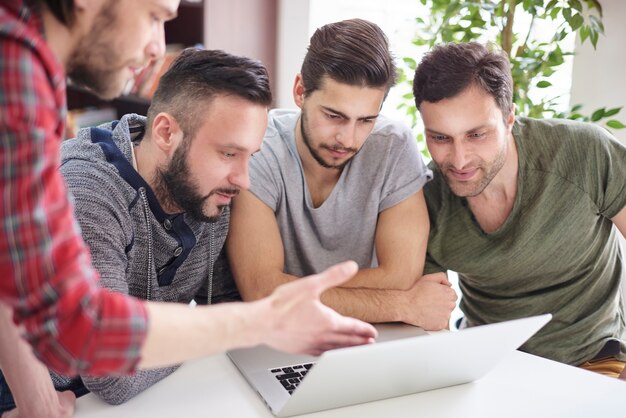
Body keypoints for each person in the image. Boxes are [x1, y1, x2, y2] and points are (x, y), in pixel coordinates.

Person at [0, 1, 377, 416]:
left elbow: (223, 307)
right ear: (165, 132)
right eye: (154, 16)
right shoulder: (86, 182)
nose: (155, 49)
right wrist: (245, 325)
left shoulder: (207, 191)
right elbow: (105, 365)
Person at [412, 42, 626, 378]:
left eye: (476, 134)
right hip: (489, 367)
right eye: (440, 138)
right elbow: (428, 318)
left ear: (509, 117)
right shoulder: (426, 198)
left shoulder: (585, 153)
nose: (459, 159)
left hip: (595, 360)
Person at [226, 18, 457, 329]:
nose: (348, 140)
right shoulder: (258, 150)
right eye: (334, 116)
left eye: (365, 121)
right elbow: (261, 291)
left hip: (373, 334)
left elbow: (402, 277)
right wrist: (403, 305)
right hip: (284, 334)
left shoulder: (393, 147)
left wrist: (290, 289)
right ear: (300, 92)